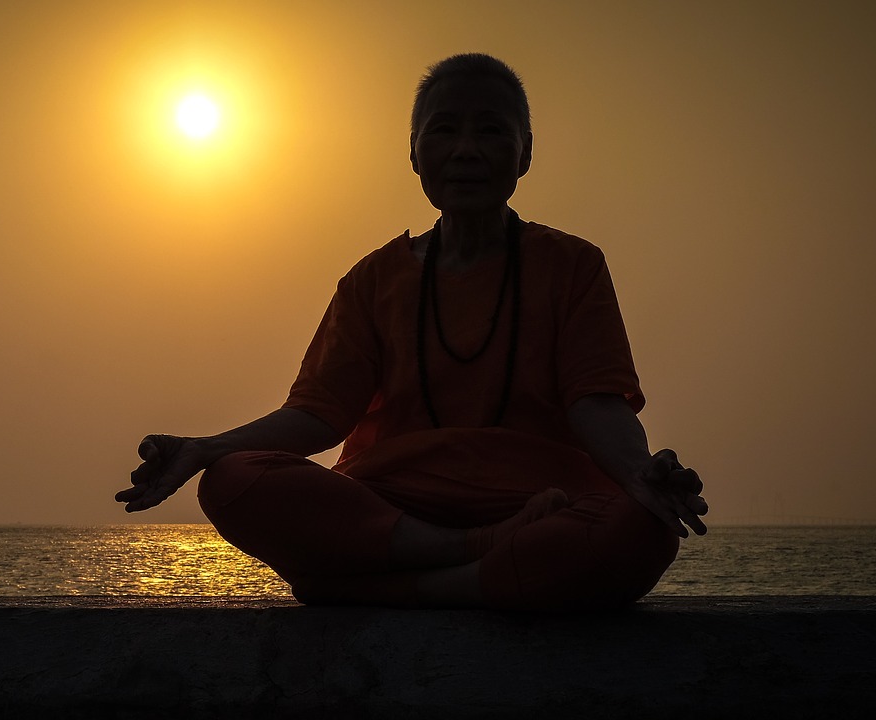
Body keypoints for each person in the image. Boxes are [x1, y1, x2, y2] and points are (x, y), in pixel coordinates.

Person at [116, 53, 707, 611]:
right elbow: (319, 414)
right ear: (415, 154)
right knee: (233, 481)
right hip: (392, 502)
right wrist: (206, 449)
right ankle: (469, 560)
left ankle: (380, 589)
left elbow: (596, 401)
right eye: (445, 131)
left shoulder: (573, 265)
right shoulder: (373, 280)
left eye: (492, 132)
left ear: (525, 153)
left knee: (644, 529)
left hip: (539, 500)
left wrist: (640, 473)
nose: (467, 151)